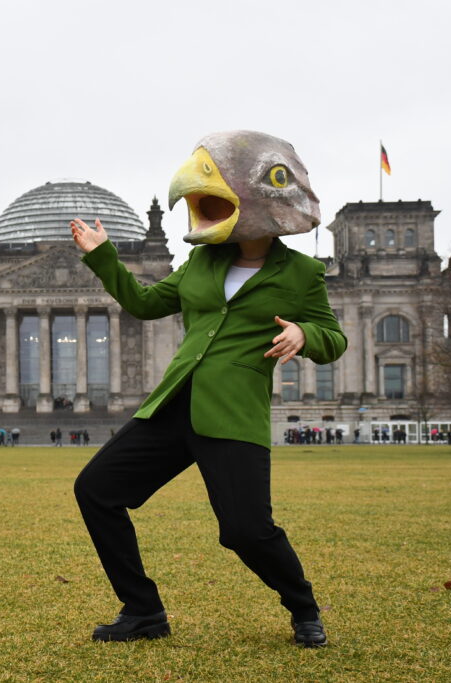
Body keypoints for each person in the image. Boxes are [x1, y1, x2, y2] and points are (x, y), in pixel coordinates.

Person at [69, 131, 346, 648]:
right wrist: (103, 255)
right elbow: (145, 303)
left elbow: (334, 339)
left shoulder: (303, 274)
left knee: (244, 531)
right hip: (176, 405)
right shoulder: (202, 263)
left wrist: (305, 333)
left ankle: (303, 606)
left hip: (233, 413)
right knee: (97, 490)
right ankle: (142, 610)